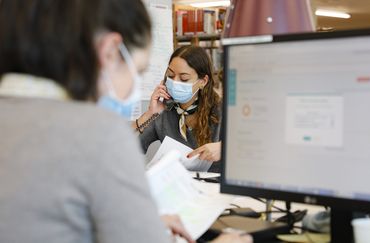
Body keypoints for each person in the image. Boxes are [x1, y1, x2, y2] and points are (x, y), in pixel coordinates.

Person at [0, 1, 252, 243]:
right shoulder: (98, 133)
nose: (133, 85)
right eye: (138, 71)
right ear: (110, 51)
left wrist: (138, 222)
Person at [134, 45, 222, 172]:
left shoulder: (221, 110)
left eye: (184, 78)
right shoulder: (164, 109)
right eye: (170, 75)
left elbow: (251, 148)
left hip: (214, 189)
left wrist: (224, 149)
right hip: (176, 187)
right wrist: (149, 114)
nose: (174, 82)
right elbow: (129, 146)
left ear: (203, 81)